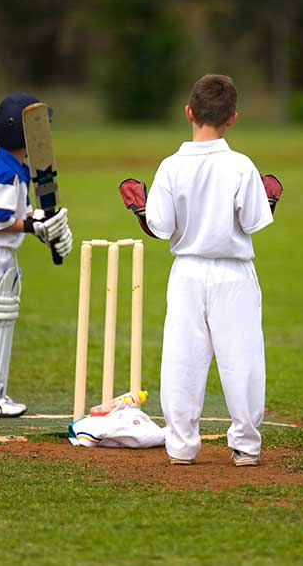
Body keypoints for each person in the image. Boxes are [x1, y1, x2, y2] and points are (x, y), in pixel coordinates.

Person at [118, 74, 283, 466]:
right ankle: (246, 445)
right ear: (233, 118)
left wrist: (140, 210)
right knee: (242, 358)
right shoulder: (241, 166)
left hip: (188, 272)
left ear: (189, 112)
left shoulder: (171, 166)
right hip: (234, 272)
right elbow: (254, 221)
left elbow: (158, 227)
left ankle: (181, 446)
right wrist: (270, 199)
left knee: (182, 358)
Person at [0, 93, 73, 417]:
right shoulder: (4, 172)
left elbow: (18, 214)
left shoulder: (11, 166)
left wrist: (46, 223)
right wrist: (34, 228)